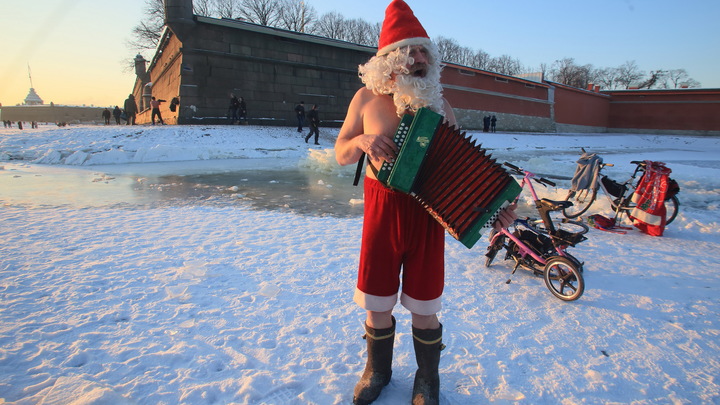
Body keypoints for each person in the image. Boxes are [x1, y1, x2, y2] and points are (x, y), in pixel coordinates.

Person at [334, 1, 516, 404]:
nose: (419, 60)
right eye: (410, 52)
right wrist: (362, 141)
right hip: (382, 214)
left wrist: (493, 209)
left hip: (428, 216)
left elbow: (464, 171)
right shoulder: (366, 99)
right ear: (390, 60)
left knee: (425, 305)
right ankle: (376, 370)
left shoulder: (442, 107)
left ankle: (427, 380)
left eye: (424, 52)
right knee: (377, 300)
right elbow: (341, 152)